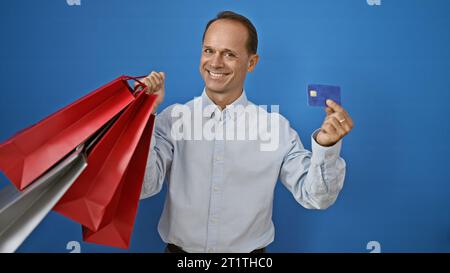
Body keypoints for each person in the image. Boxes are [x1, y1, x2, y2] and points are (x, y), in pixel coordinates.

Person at [139, 11, 354, 253]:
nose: (215, 63)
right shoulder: (172, 119)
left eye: (229, 54)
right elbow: (145, 187)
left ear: (251, 63)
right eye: (209, 51)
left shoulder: (275, 128)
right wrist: (144, 117)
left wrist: (326, 148)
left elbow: (317, 197)